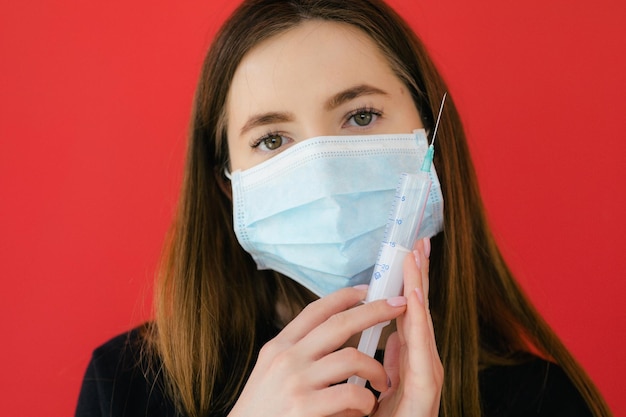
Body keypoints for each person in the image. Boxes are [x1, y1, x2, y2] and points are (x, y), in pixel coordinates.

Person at [75, 1, 612, 416]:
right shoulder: (127, 385)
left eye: (360, 117)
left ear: (429, 138)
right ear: (228, 187)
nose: (325, 178)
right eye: (271, 139)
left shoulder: (540, 401)